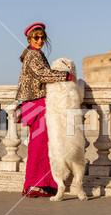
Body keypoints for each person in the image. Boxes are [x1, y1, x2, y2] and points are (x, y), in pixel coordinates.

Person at [15, 22, 74, 198]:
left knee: (42, 146)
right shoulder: (33, 55)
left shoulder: (35, 54)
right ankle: (33, 185)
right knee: (39, 147)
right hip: (36, 105)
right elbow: (43, 75)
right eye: (36, 37)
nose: (40, 40)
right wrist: (67, 76)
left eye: (42, 37)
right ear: (29, 39)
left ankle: (43, 184)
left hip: (36, 105)